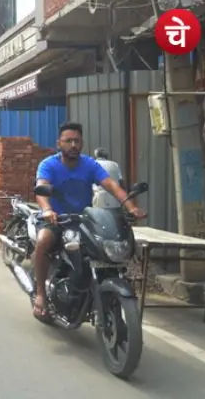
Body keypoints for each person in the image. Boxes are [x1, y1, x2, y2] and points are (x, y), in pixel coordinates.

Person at [33, 122, 146, 320]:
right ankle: (41, 294)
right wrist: (47, 210)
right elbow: (41, 189)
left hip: (82, 219)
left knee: (97, 252)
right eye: (68, 141)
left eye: (77, 141)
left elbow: (111, 185)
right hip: (56, 219)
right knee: (43, 241)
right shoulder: (48, 165)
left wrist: (131, 207)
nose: (73, 145)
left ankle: (87, 289)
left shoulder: (89, 165)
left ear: (82, 143)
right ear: (59, 143)